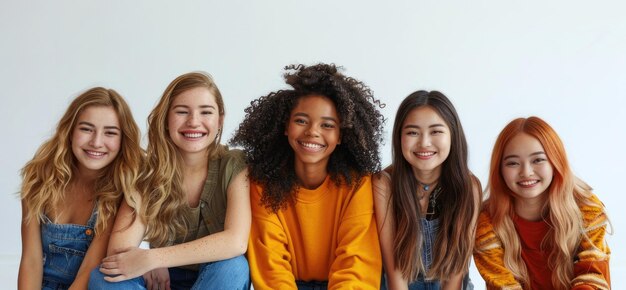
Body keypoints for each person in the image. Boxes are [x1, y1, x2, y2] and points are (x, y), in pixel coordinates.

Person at [89, 72, 251, 290]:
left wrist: (156, 258)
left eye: (206, 112)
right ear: (166, 119)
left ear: (220, 120)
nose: (194, 121)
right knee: (103, 277)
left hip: (213, 279)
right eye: (182, 111)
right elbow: (118, 251)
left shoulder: (234, 164)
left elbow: (236, 241)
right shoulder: (147, 171)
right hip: (158, 283)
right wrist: (148, 262)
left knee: (234, 267)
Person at [231, 63, 385, 289]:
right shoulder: (262, 184)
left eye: (327, 125)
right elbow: (272, 267)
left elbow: (356, 263)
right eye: (301, 120)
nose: (313, 131)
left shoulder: (357, 183)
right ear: (286, 127)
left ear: (341, 136)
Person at [18, 87, 142, 289]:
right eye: (86, 129)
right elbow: (30, 261)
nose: (96, 142)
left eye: (110, 133)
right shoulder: (39, 179)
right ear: (70, 131)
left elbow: (90, 269)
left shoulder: (123, 190)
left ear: (123, 140)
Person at [473, 116, 611, 290]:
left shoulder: (588, 209)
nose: (526, 172)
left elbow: (593, 277)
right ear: (499, 170)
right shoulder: (487, 223)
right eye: (513, 163)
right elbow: (502, 286)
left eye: (538, 160)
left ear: (555, 161)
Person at [374, 91, 481, 290]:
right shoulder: (384, 184)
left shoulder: (468, 186)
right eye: (412, 132)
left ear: (452, 136)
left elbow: (456, 273)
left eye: (436, 131)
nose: (424, 143)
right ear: (399, 137)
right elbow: (394, 272)